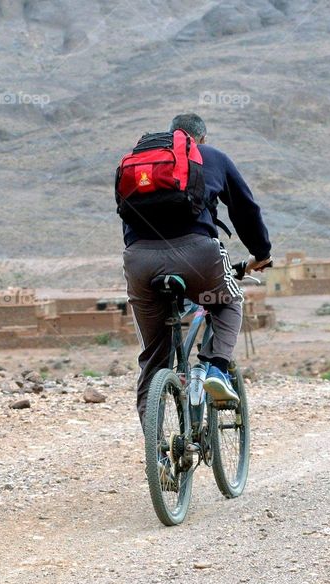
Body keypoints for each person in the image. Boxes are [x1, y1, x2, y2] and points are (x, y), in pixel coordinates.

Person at [122, 113, 272, 420]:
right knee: (227, 301)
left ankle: (156, 444)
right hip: (198, 256)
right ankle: (217, 369)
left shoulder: (139, 163)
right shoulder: (211, 155)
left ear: (172, 134)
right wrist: (261, 253)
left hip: (139, 261)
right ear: (201, 139)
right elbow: (245, 209)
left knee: (153, 359)